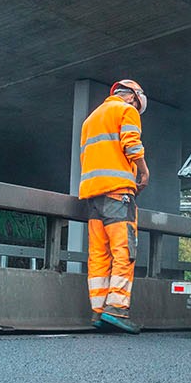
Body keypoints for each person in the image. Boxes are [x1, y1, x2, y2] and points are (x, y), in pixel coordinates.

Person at [77, 79, 151, 334]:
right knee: (124, 251)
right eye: (137, 103)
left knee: (98, 254)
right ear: (132, 96)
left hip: (92, 196)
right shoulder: (125, 110)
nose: (135, 107)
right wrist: (143, 172)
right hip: (118, 193)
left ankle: (98, 311)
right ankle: (117, 309)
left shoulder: (91, 119)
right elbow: (131, 144)